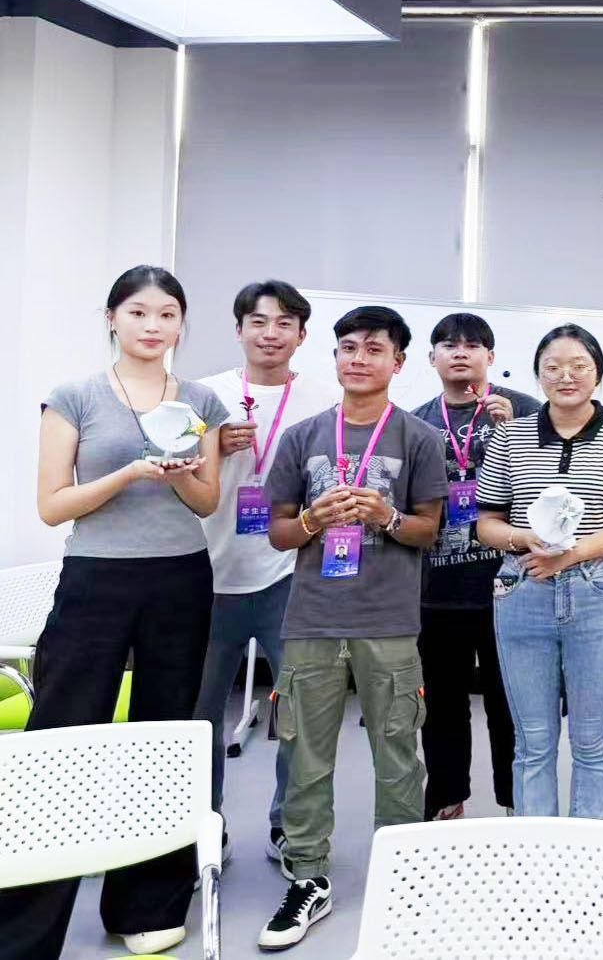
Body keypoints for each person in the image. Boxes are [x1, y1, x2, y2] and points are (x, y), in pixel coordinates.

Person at [3, 266, 227, 959]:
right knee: (60, 736)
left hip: (180, 578)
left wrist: (181, 473)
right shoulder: (74, 396)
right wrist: (129, 472)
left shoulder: (200, 400)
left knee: (165, 734)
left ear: (181, 324)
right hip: (95, 579)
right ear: (112, 318)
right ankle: (24, 924)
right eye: (138, 312)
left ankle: (147, 903)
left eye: (167, 314)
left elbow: (207, 501)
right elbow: (52, 505)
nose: (153, 326)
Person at [258, 306, 448, 950]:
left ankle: (405, 874)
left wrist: (385, 516)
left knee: (397, 755)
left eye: (374, 349)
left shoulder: (420, 438)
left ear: (398, 362)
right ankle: (307, 877)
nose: (358, 358)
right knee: (305, 756)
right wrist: (314, 520)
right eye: (348, 347)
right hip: (312, 618)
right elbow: (278, 532)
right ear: (334, 357)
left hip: (388, 621)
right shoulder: (303, 436)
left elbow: (430, 530)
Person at [474, 325, 603, 818]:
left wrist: (572, 554)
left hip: (598, 590)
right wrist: (523, 538)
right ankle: (537, 851)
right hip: (523, 587)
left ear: (598, 373)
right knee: (532, 740)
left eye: (579, 366)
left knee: (592, 739)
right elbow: (486, 523)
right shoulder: (510, 436)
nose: (566, 376)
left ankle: (587, 852)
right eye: (552, 367)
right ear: (538, 375)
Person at [193, 280, 337, 868]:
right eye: (258, 322)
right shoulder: (204, 395)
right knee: (200, 718)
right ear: (238, 330)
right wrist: (213, 449)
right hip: (208, 573)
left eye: (284, 324)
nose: (270, 334)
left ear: (301, 336)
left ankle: (289, 825)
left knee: (299, 711)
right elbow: (175, 475)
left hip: (290, 573)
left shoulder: (325, 398)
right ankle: (204, 828)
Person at [410, 313, 541, 822]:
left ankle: (515, 801)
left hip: (511, 584)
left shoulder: (526, 411)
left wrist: (514, 433)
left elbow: (549, 488)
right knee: (442, 704)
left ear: (491, 356)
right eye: (448, 345)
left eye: (472, 345)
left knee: (511, 704)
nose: (460, 352)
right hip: (437, 587)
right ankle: (447, 796)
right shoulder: (417, 420)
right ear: (432, 358)